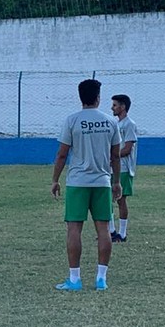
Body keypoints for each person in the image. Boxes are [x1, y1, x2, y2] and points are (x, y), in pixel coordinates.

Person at [50, 79, 122, 291]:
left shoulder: (72, 120)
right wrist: (116, 181)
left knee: (74, 229)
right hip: (102, 182)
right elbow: (115, 155)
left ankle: (75, 279)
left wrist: (55, 179)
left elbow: (62, 154)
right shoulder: (111, 122)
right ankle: (101, 278)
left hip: (78, 182)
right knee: (103, 229)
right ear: (98, 97)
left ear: (80, 97)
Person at [108, 94, 137, 243]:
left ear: (123, 106)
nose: (112, 108)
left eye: (114, 105)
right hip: (113, 167)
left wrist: (113, 156)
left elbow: (127, 148)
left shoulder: (129, 124)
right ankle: (111, 231)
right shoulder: (116, 124)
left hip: (124, 168)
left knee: (121, 200)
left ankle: (123, 233)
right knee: (108, 199)